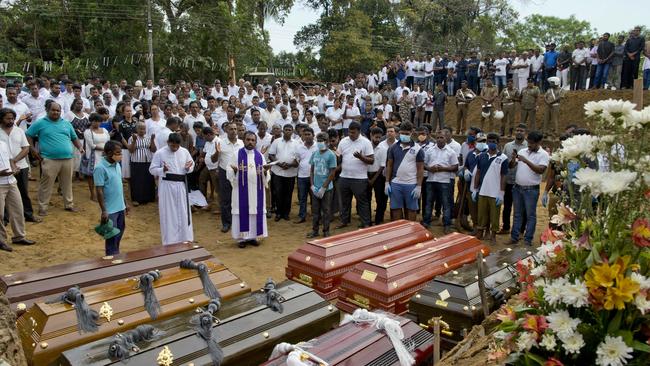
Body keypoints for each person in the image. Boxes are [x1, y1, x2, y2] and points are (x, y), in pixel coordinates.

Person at [26, 101, 84, 216]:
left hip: (68, 158)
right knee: (46, 184)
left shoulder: (66, 123)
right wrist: (33, 149)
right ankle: (43, 207)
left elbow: (74, 137)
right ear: (47, 110)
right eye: (53, 110)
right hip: (49, 159)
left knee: (67, 183)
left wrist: (80, 147)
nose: (55, 112)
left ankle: (69, 204)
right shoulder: (40, 123)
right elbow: (28, 134)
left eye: (58, 110)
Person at [149, 133, 195, 245]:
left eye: (177, 146)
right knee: (169, 213)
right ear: (168, 142)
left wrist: (188, 168)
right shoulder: (160, 153)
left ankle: (185, 238)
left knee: (183, 212)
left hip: (181, 185)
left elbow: (191, 165)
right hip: (167, 186)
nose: (175, 148)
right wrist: (162, 170)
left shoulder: (184, 152)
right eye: (172, 145)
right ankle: (170, 241)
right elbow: (152, 169)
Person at [226, 131, 268, 248]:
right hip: (241, 191)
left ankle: (253, 236)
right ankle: (241, 238)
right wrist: (234, 171)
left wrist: (265, 172)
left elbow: (265, 173)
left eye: (253, 140)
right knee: (241, 211)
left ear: (255, 142)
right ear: (243, 140)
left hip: (256, 190)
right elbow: (228, 169)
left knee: (255, 211)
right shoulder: (236, 154)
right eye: (248, 139)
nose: (250, 142)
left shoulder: (260, 156)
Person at [509, 130, 549, 246]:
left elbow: (541, 170)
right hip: (517, 188)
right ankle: (514, 237)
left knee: (530, 215)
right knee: (517, 214)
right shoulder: (522, 151)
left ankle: (527, 240)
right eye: (529, 142)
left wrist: (526, 161)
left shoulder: (544, 154)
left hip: (531, 189)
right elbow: (512, 166)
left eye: (532, 143)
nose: (530, 145)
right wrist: (513, 159)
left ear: (539, 142)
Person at [0, 108, 38, 223]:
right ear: (1, 119)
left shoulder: (19, 131)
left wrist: (14, 161)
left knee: (23, 192)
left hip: (21, 166)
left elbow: (26, 148)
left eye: (12, 118)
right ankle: (5, 218)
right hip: (3, 169)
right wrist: (9, 163)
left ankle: (28, 215)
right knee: (3, 194)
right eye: (8, 118)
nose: (11, 121)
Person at [0, 134, 35, 252]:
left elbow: (10, 159)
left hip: (11, 181)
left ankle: (19, 236)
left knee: (18, 209)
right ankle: (1, 240)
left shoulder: (3, 144)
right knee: (0, 214)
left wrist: (14, 167)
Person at [336, 121, 374, 228]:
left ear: (359, 131)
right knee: (344, 201)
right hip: (344, 176)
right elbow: (339, 156)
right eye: (349, 132)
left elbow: (371, 160)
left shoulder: (366, 142)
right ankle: (344, 221)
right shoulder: (343, 141)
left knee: (362, 202)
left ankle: (365, 222)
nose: (351, 134)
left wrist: (361, 157)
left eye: (353, 132)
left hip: (359, 178)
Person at [472, 132, 507, 245]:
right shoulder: (481, 156)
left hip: (495, 192)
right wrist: (475, 189)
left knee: (494, 215)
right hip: (483, 190)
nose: (491, 143)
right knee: (481, 213)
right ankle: (480, 232)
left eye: (494, 142)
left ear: (498, 143)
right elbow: (478, 172)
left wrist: (501, 192)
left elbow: (503, 176)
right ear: (487, 142)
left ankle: (493, 235)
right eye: (490, 141)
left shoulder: (503, 158)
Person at [94, 141, 128, 255]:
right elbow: (99, 190)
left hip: (120, 207)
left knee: (120, 232)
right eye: (118, 153)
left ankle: (115, 253)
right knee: (111, 236)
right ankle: (111, 258)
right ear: (109, 153)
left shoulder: (117, 164)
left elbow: (119, 186)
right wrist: (104, 211)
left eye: (121, 153)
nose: (120, 155)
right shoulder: (100, 168)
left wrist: (125, 203)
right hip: (110, 210)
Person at [385, 122, 423, 221]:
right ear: (399, 133)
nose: (404, 135)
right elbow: (389, 165)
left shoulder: (418, 149)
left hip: (411, 184)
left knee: (411, 210)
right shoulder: (392, 148)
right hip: (395, 183)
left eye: (406, 133)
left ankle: (410, 233)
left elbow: (420, 169)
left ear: (411, 133)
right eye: (402, 133)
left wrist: (419, 186)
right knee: (396, 209)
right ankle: (398, 233)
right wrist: (387, 182)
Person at [423, 130, 458, 232]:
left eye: (441, 137)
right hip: (431, 180)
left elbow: (455, 167)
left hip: (444, 181)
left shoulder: (451, 151)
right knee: (429, 202)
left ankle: (447, 225)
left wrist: (443, 168)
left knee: (445, 203)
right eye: (437, 137)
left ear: (446, 138)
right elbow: (424, 164)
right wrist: (430, 168)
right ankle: (426, 222)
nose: (439, 139)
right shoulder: (429, 150)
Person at [307, 132, 337, 238]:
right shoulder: (315, 154)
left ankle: (326, 231)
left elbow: (332, 173)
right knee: (315, 211)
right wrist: (312, 185)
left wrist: (323, 187)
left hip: (327, 189)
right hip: (315, 187)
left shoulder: (331, 155)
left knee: (326, 210)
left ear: (327, 142)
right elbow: (311, 171)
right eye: (318, 140)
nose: (320, 142)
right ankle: (315, 230)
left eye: (322, 140)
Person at [267, 124, 299, 221]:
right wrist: (280, 164)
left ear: (292, 131)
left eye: (290, 130)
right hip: (278, 172)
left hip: (290, 173)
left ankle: (286, 213)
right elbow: (271, 155)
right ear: (283, 131)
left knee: (288, 194)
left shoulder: (296, 143)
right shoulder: (276, 142)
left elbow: (298, 159)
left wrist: (289, 165)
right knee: (278, 193)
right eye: (286, 129)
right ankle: (278, 213)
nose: (288, 131)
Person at [500, 124, 528, 235]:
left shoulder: (528, 147)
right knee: (507, 206)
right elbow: (503, 162)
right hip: (509, 180)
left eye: (521, 130)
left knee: (521, 208)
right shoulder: (507, 146)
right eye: (517, 130)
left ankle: (521, 230)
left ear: (525, 133)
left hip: (522, 182)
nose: (519, 132)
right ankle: (506, 227)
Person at [81, 113, 110, 201]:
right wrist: (105, 149)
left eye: (99, 121)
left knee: (104, 174)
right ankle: (93, 194)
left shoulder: (104, 130)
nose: (97, 123)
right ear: (91, 121)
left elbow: (108, 140)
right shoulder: (87, 132)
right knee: (92, 176)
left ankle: (102, 193)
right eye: (95, 121)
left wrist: (107, 150)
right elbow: (92, 146)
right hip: (93, 155)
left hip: (104, 155)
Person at [128, 121, 155, 205]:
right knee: (137, 181)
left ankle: (148, 198)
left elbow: (153, 150)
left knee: (148, 180)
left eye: (143, 129)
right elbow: (131, 150)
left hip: (147, 162)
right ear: (137, 129)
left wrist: (152, 140)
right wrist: (134, 141)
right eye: (140, 129)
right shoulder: (132, 138)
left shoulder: (148, 137)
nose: (142, 130)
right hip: (136, 162)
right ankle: (136, 199)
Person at [295, 127, 317, 223]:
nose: (307, 136)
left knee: (315, 197)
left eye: (309, 134)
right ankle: (302, 216)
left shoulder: (318, 147)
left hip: (315, 177)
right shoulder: (299, 147)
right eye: (305, 135)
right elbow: (297, 160)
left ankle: (316, 216)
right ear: (302, 136)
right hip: (302, 176)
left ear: (313, 135)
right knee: (302, 198)